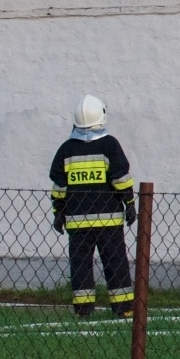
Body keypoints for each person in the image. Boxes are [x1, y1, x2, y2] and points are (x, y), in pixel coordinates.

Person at [48, 95, 136, 317]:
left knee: (80, 266)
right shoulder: (110, 145)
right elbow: (121, 180)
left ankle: (84, 310)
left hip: (77, 222)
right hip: (108, 220)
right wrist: (130, 203)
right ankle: (123, 308)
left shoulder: (66, 150)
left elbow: (59, 186)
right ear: (102, 116)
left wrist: (58, 213)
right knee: (115, 263)